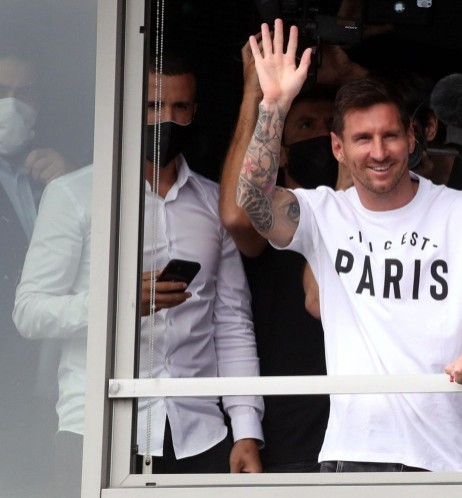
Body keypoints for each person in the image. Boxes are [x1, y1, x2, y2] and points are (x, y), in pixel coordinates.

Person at [236, 21, 462, 472]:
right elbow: (252, 202)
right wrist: (273, 105)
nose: (379, 151)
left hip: (446, 459)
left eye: (389, 135)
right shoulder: (322, 212)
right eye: (362, 139)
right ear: (337, 148)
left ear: (411, 138)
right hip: (353, 456)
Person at [13, 53, 264, 486]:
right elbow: (29, 312)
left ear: (195, 112)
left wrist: (246, 429)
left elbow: (232, 324)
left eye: (180, 107)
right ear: (130, 108)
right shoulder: (76, 194)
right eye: (153, 106)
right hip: (97, 427)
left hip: (200, 433)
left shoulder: (213, 202)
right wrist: (119, 302)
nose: (167, 119)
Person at [219, 39, 347, 473]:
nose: (320, 135)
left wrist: (350, 75)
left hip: (362, 432)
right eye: (306, 124)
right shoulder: (274, 217)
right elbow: (236, 215)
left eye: (330, 125)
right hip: (289, 428)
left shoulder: (365, 210)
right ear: (282, 146)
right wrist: (256, 95)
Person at [0, 47, 70, 497]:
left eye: (23, 92)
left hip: (51, 383)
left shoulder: (54, 175)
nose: (11, 104)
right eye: (1, 91)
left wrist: (74, 184)